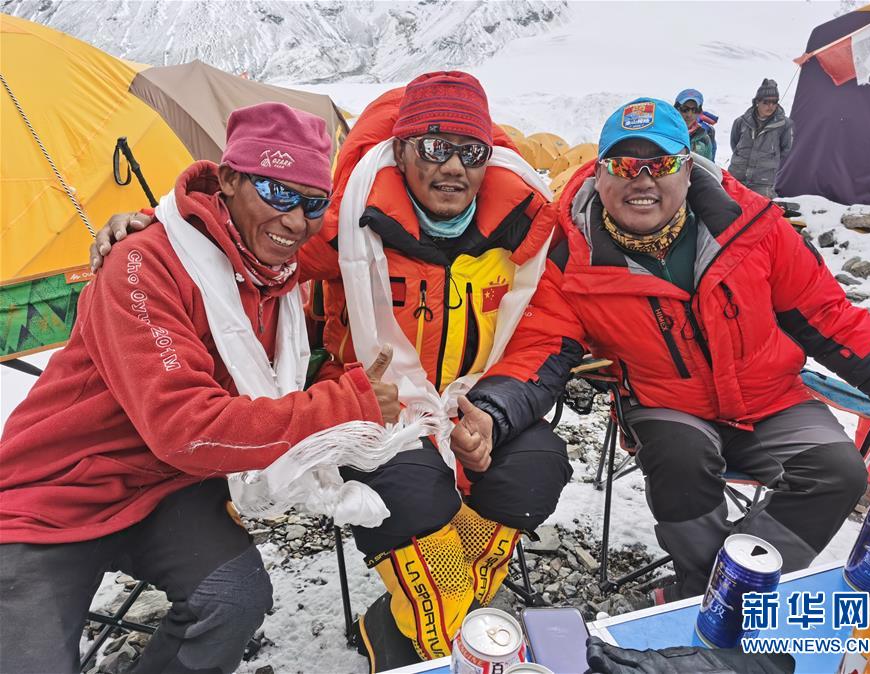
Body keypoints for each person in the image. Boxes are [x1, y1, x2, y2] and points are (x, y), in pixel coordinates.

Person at [88, 72, 573, 672]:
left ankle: (423, 618)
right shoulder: (349, 218)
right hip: (377, 404)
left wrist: (495, 415)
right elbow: (242, 236)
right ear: (401, 151)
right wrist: (158, 224)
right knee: (412, 496)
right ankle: (442, 634)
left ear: (489, 158)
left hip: (479, 398)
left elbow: (547, 334)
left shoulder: (526, 225)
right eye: (434, 146)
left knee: (534, 474)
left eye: (470, 152)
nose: (453, 166)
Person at [0, 102, 401, 674]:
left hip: (166, 488)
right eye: (277, 192)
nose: (296, 220)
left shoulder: (275, 272)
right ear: (229, 179)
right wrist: (348, 406)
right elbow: (185, 427)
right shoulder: (143, 263)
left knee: (233, 599)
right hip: (58, 492)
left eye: (314, 202)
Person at [469, 97, 870, 603]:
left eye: (661, 165)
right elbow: (541, 347)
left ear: (689, 169)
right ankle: (711, 596)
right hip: (666, 402)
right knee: (681, 459)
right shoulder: (572, 257)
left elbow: (830, 318)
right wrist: (494, 410)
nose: (642, 180)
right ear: (600, 174)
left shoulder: (755, 229)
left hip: (772, 398)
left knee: (839, 472)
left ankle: (724, 589)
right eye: (624, 165)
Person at [728, 78, 794, 198]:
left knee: (759, 208)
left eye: (774, 102)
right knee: (730, 207)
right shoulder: (741, 121)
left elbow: (786, 150)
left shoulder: (785, 125)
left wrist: (769, 161)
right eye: (766, 102)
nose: (771, 106)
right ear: (757, 102)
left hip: (763, 182)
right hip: (736, 176)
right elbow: (734, 144)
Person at [674, 88, 714, 161]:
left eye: (695, 110)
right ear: (676, 109)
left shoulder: (704, 139)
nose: (689, 115)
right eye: (685, 109)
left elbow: (709, 165)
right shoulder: (665, 133)